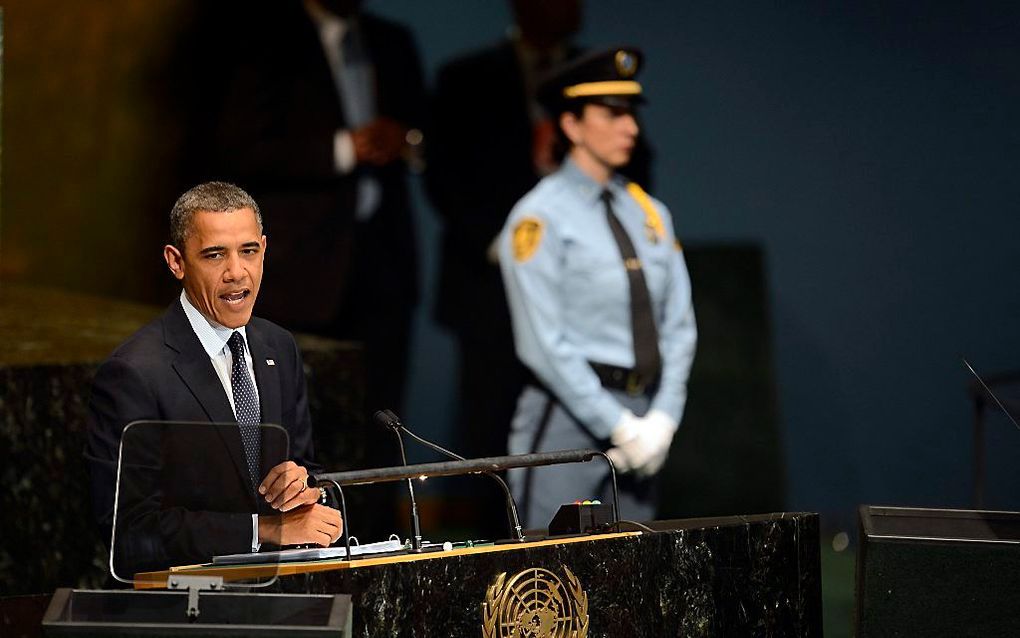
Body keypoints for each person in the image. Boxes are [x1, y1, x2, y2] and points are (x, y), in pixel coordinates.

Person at [86, 182, 342, 575]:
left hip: (282, 597)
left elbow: (307, 469)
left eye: (249, 252)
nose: (236, 273)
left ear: (264, 250)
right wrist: (265, 530)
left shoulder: (278, 347)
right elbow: (130, 533)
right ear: (176, 262)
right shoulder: (134, 374)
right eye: (214, 255)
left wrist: (307, 489)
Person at [499, 48, 697, 528]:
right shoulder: (539, 217)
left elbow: (679, 325)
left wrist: (663, 419)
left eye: (631, 113)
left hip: (644, 416)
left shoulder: (648, 212)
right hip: (567, 416)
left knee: (636, 574)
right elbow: (543, 345)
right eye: (612, 113)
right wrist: (619, 426)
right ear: (571, 125)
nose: (629, 127)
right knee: (553, 578)